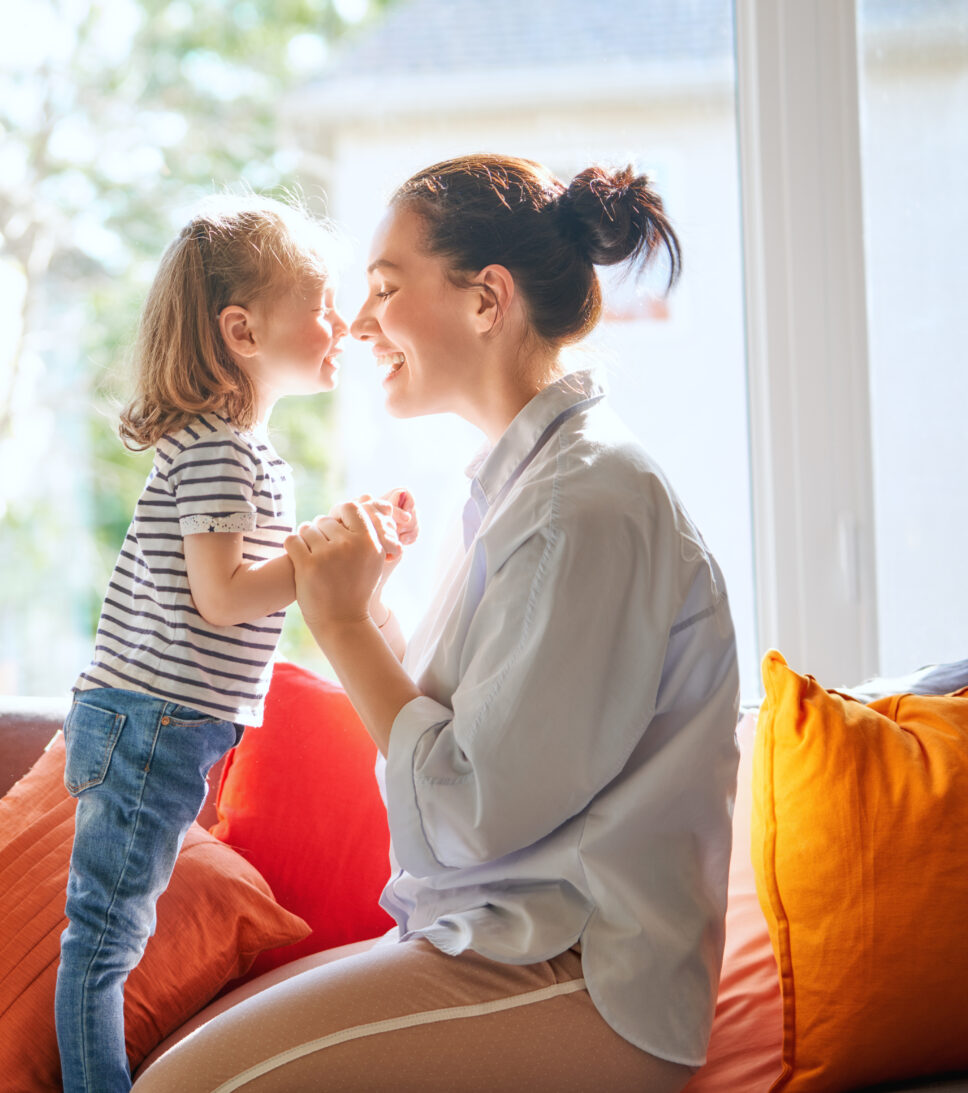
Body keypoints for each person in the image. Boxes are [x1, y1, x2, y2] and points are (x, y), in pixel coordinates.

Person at [131, 156, 740, 1093]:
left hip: (583, 972)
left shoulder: (585, 502)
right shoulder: (531, 487)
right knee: (178, 1061)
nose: (360, 321)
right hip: (505, 938)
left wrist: (343, 627)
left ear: (487, 300)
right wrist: (370, 607)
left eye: (383, 288)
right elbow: (484, 745)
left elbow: (464, 814)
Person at [57, 193, 416, 1093]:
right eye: (322, 303)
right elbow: (223, 599)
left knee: (108, 937)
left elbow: (245, 587)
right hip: (152, 722)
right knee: (103, 942)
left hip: (160, 722)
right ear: (243, 331)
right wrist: (320, 555)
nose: (343, 322)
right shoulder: (222, 449)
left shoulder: (233, 447)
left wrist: (330, 551)